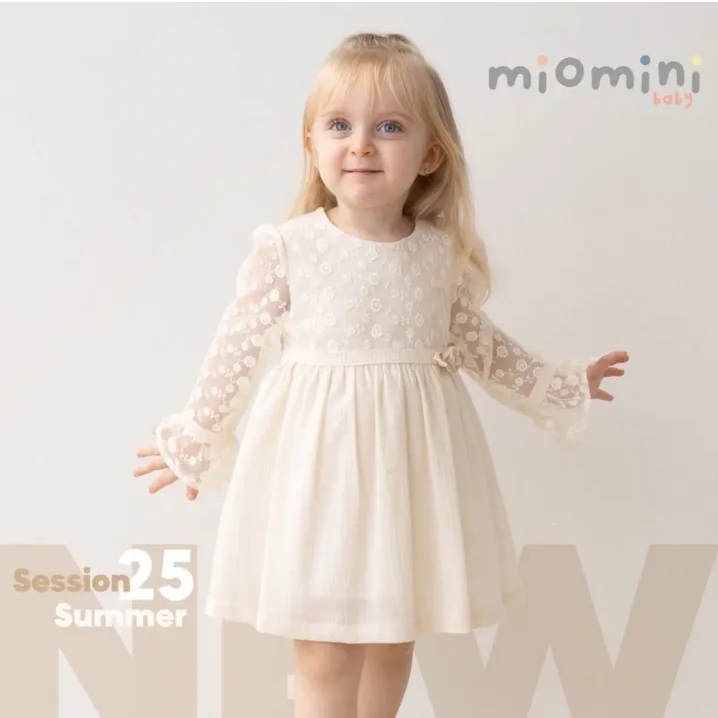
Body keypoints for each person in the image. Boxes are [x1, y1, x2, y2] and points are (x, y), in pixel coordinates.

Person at [133, 32, 629, 718]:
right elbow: (237, 347)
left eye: (389, 127)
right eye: (339, 125)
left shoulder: (437, 255)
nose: (361, 145)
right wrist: (199, 435)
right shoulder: (290, 248)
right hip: (318, 469)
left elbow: (481, 345)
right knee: (325, 649)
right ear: (311, 144)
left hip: (408, 470)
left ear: (430, 154)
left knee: (392, 641)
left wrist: (560, 385)